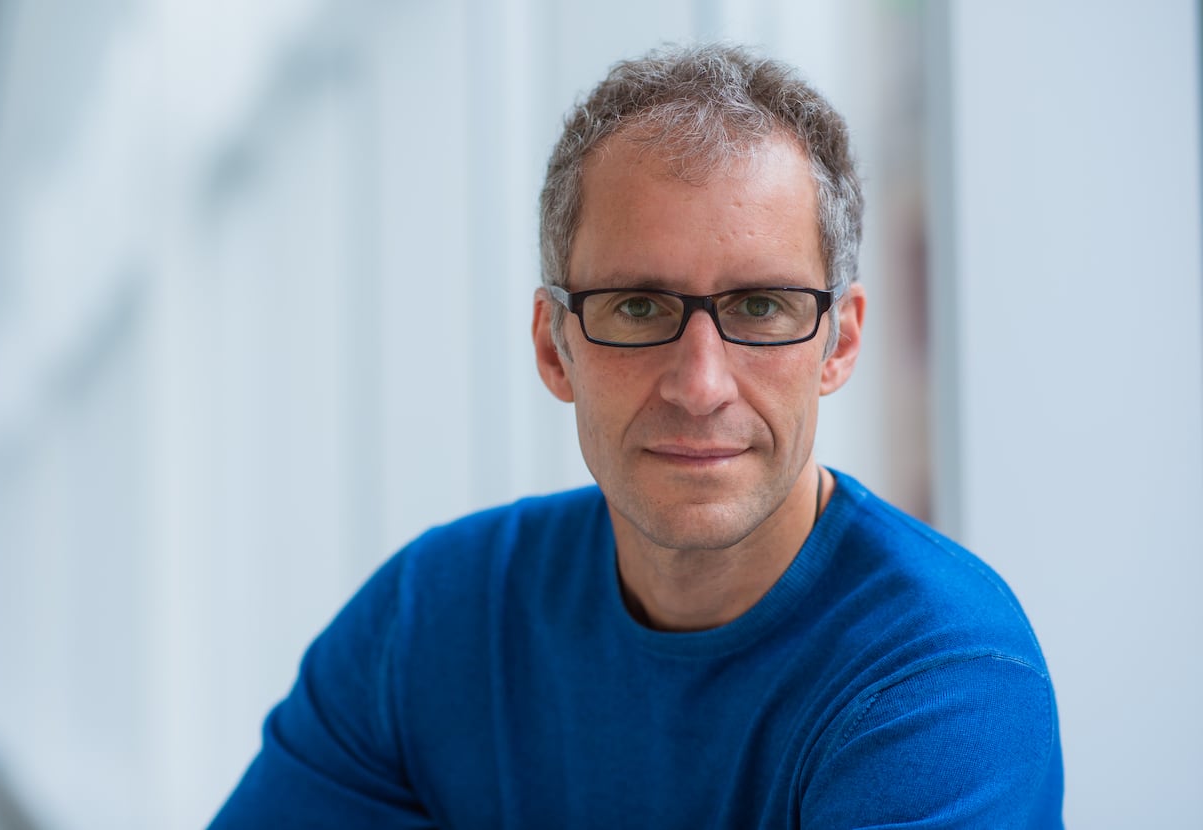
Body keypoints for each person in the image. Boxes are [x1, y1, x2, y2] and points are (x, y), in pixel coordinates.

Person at [209, 44, 1064, 828]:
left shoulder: (943, 678)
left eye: (760, 306)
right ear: (555, 348)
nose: (700, 385)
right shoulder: (429, 622)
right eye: (639, 307)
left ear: (837, 343)